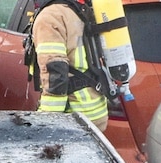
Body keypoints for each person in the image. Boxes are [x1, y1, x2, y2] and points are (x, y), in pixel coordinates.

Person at [30, 0, 109, 131]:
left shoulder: (49, 17)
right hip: (96, 112)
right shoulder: (78, 10)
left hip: (74, 119)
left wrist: (47, 123)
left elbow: (55, 74)